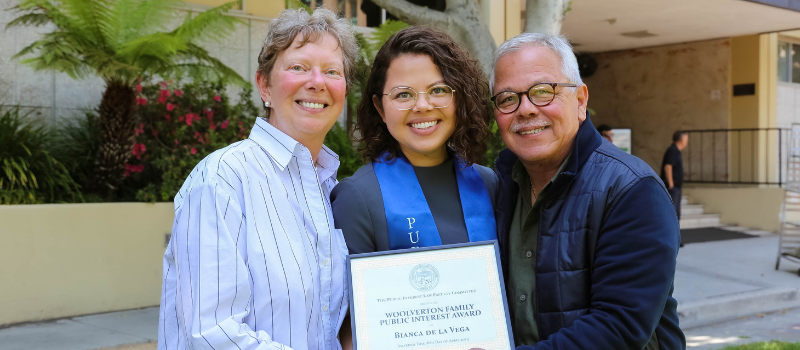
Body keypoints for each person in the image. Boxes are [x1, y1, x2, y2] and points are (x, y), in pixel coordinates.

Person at [157, 8, 358, 350]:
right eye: (298, 67)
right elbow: (212, 334)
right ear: (264, 85)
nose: (317, 82)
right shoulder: (223, 179)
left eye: (332, 71)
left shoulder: (331, 191)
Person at [490, 33, 685, 349]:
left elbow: (619, 327)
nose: (524, 109)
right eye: (508, 98)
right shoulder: (499, 184)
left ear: (580, 101)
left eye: (543, 91)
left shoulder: (632, 189)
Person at [330, 26, 498, 254]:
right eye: (403, 94)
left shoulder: (489, 185)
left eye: (438, 90)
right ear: (380, 108)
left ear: (460, 98)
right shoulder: (357, 198)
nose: (422, 106)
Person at [662, 131, 689, 220]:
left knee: (676, 213)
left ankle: (675, 233)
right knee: (672, 213)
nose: (687, 141)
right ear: (681, 139)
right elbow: (668, 167)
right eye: (686, 138)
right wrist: (671, 184)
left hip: (676, 187)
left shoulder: (676, 151)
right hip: (673, 188)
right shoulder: (672, 150)